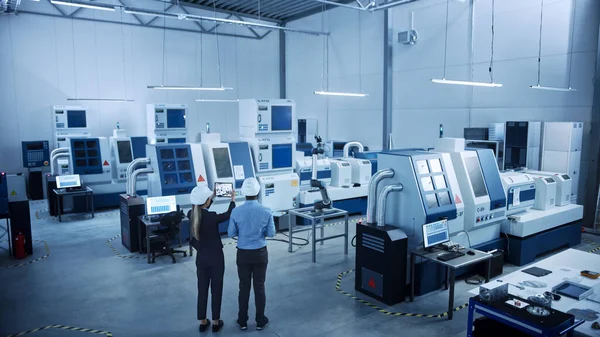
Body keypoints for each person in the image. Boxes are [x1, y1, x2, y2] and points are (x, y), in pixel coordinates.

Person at [228, 178, 275, 331]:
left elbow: (231, 233)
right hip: (260, 253)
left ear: (243, 193)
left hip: (243, 254)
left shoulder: (236, 211)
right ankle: (260, 320)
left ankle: (242, 320)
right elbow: (271, 233)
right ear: (258, 192)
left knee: (244, 287)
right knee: (259, 287)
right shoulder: (266, 211)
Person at [189, 185, 235, 333]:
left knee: (202, 290)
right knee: (216, 289)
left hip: (201, 259)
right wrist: (232, 200)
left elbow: (202, 208)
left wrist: (212, 196)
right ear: (207, 201)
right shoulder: (212, 216)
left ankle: (203, 321)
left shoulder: (191, 214)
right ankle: (216, 321)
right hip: (216, 259)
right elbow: (228, 214)